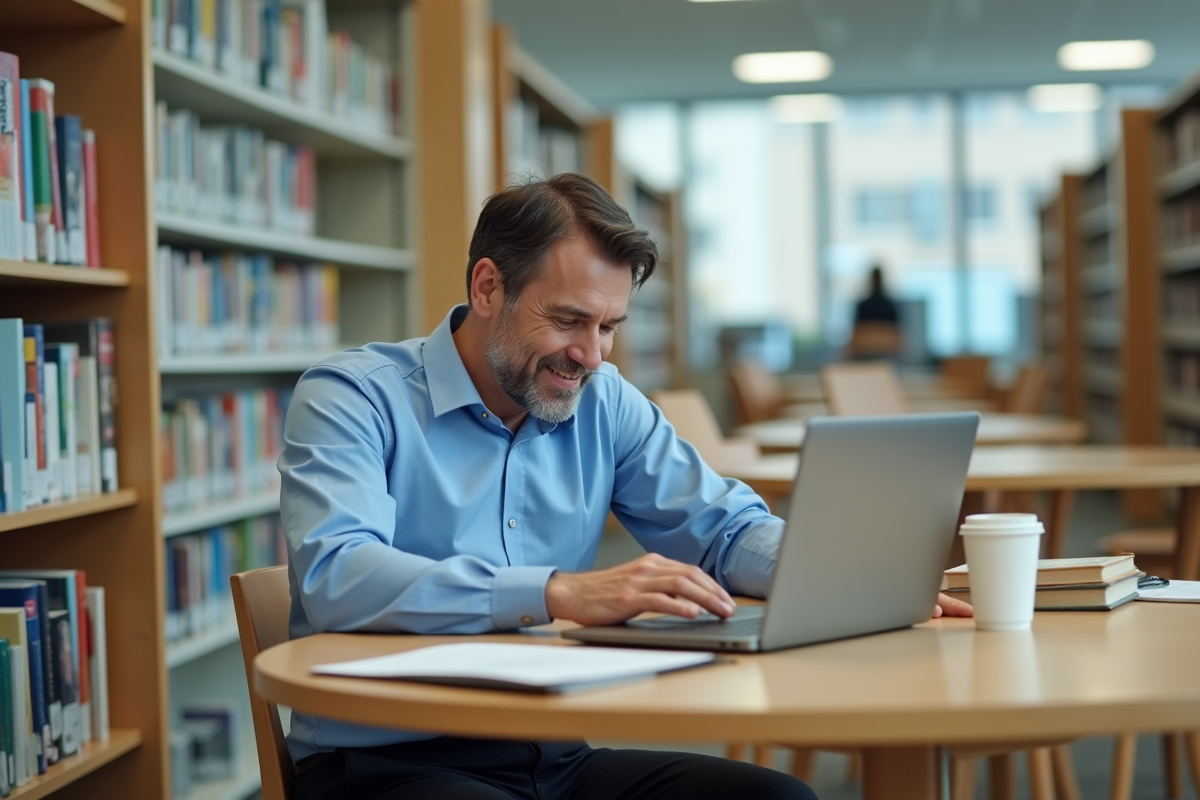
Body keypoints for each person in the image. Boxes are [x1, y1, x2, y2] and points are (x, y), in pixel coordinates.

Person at [279, 174, 969, 800]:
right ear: (487, 287)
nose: (592, 356)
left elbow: (722, 528)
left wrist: (849, 574)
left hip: (551, 750)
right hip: (386, 761)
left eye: (609, 327)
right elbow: (339, 575)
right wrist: (558, 592)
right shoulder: (351, 398)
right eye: (569, 320)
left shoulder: (602, 400)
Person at [849, 264, 903, 360]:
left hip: (863, 360)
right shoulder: (890, 306)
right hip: (888, 359)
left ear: (870, 281)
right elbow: (898, 340)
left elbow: (855, 338)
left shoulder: (862, 306)